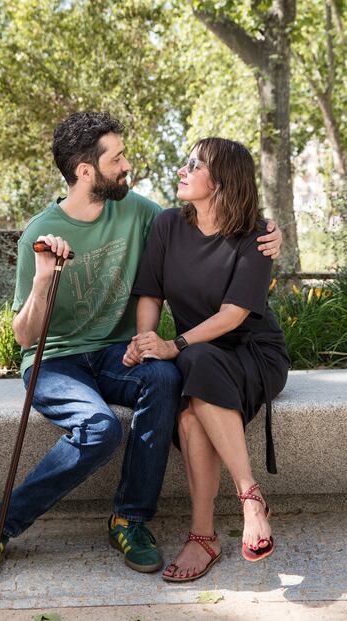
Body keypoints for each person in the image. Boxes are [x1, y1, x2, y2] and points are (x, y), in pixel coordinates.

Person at [0, 114, 282, 584]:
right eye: (118, 158)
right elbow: (24, 337)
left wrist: (270, 231)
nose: (129, 165)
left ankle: (129, 519)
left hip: (113, 353)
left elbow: (219, 218)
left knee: (166, 378)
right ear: (86, 171)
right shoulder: (39, 232)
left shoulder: (141, 212)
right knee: (100, 428)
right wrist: (45, 279)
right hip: (55, 360)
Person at [124, 137, 289, 583]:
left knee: (196, 362)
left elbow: (234, 315)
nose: (182, 169)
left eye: (194, 164)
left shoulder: (255, 235)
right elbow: (150, 293)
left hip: (254, 353)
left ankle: (243, 500)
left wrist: (173, 345)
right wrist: (144, 340)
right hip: (200, 355)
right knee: (191, 414)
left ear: (221, 183)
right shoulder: (167, 225)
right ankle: (216, 527)